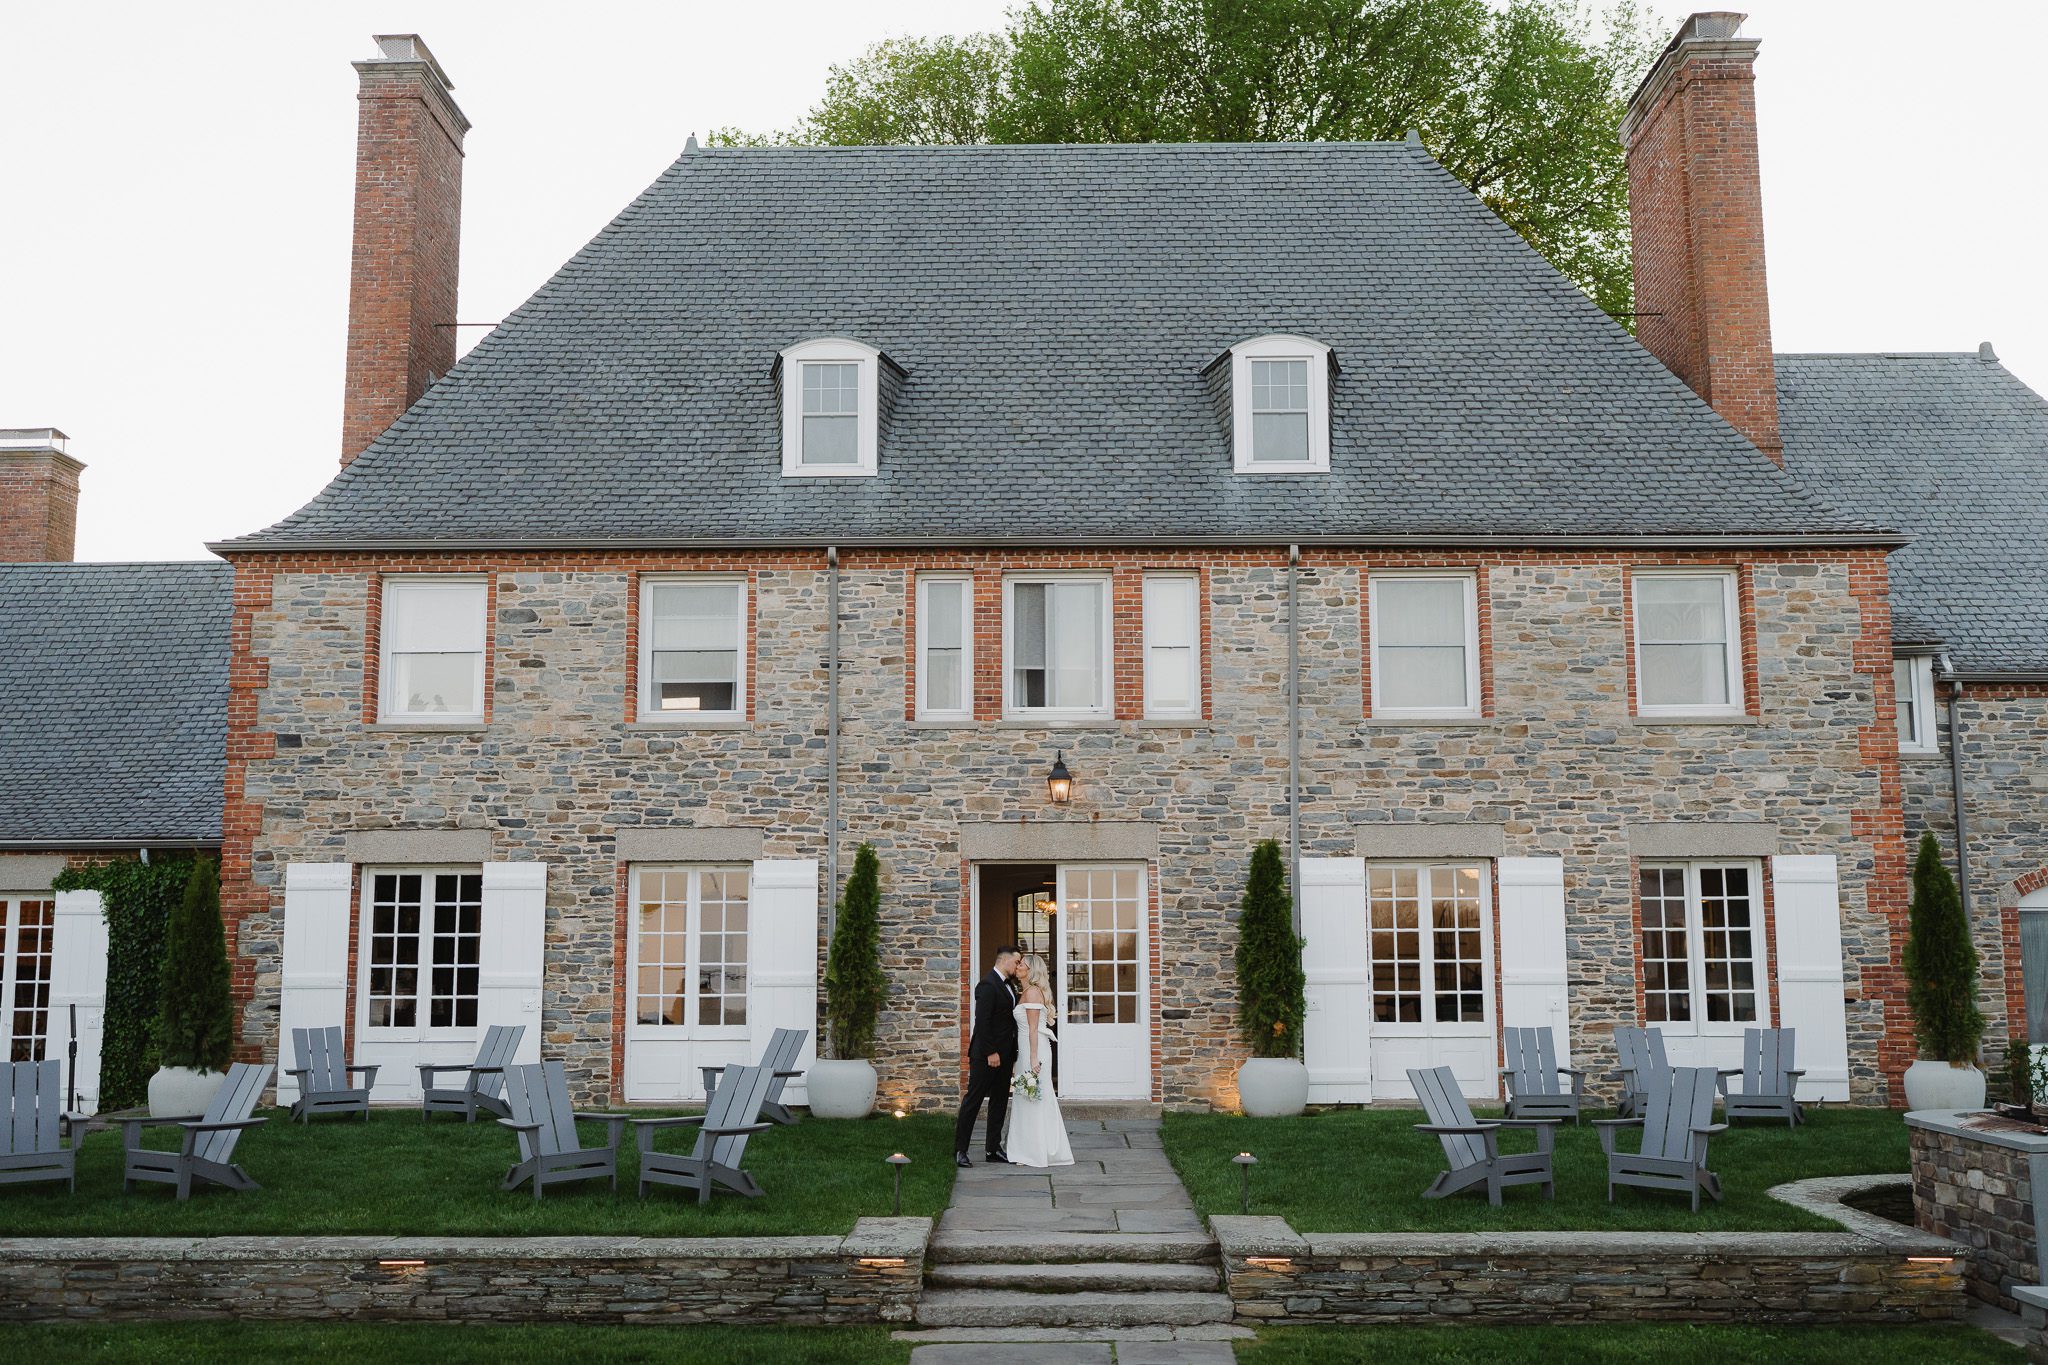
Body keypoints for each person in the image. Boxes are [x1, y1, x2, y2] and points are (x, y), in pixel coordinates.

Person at [1003, 952, 1073, 1168]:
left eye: (1021, 963)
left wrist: (1033, 1059)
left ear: (1031, 970)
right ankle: (1030, 1149)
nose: (1018, 966)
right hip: (1027, 1050)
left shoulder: (1033, 993)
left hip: (1036, 1051)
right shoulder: (1026, 991)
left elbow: (1033, 1029)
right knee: (1028, 1097)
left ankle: (1034, 1151)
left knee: (1034, 1097)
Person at [954, 946, 1021, 1168]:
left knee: (1000, 1101)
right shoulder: (987, 984)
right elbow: (982, 1021)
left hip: (1005, 1055)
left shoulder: (1010, 985)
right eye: (1016, 962)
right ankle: (960, 1150)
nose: (1018, 966)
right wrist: (991, 1052)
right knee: (973, 1100)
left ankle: (993, 1148)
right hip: (986, 1055)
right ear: (1004, 961)